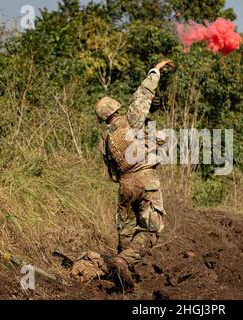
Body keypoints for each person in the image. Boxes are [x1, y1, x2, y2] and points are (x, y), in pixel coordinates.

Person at [94, 60, 174, 288]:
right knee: (152, 229)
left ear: (102, 117)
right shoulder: (132, 120)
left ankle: (120, 275)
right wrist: (156, 70)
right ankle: (122, 261)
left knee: (126, 231)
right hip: (146, 179)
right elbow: (144, 92)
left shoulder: (104, 141)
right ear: (116, 108)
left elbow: (112, 175)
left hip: (125, 186)